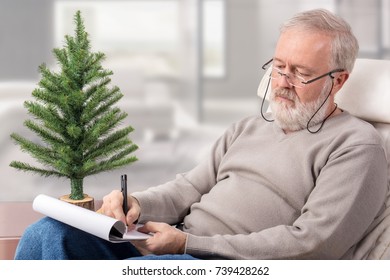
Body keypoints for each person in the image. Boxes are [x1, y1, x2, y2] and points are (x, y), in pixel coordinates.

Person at [15, 8, 388, 260]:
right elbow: (188, 189)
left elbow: (315, 243)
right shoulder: (248, 127)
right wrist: (136, 204)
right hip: (171, 247)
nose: (283, 82)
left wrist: (189, 242)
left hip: (226, 266)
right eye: (278, 67)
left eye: (300, 73)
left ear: (339, 81)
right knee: (47, 234)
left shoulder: (356, 146)